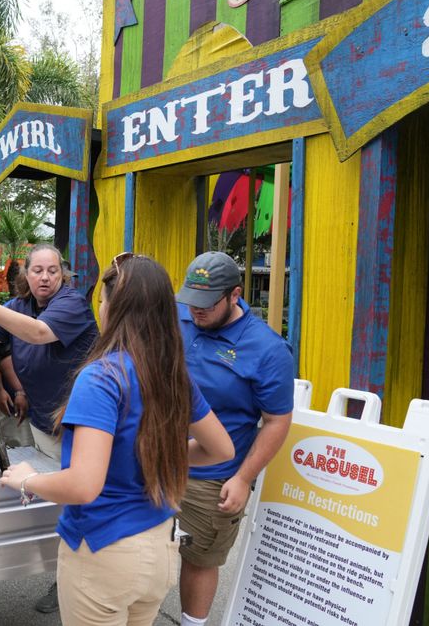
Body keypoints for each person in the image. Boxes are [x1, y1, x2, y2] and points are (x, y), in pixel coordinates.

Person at [0, 253, 234, 626]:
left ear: (114, 308)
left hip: (104, 552)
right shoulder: (171, 372)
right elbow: (222, 449)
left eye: (103, 302)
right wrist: (154, 455)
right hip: (160, 547)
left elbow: (83, 485)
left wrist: (26, 480)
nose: (100, 309)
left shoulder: (101, 378)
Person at [0, 242, 98, 612]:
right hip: (46, 421)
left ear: (63, 274)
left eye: (53, 271)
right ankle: (70, 577)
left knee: (84, 502)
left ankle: (78, 583)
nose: (45, 277)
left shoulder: (71, 304)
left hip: (83, 426)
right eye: (37, 270)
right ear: (25, 275)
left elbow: (39, 333)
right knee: (65, 504)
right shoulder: (17, 306)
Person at [174, 251, 295, 626]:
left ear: (235, 294)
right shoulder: (181, 318)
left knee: (199, 558)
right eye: (191, 302)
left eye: (207, 304)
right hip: (159, 459)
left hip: (212, 477)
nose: (197, 312)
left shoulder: (268, 349)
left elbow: (276, 421)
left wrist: (243, 478)